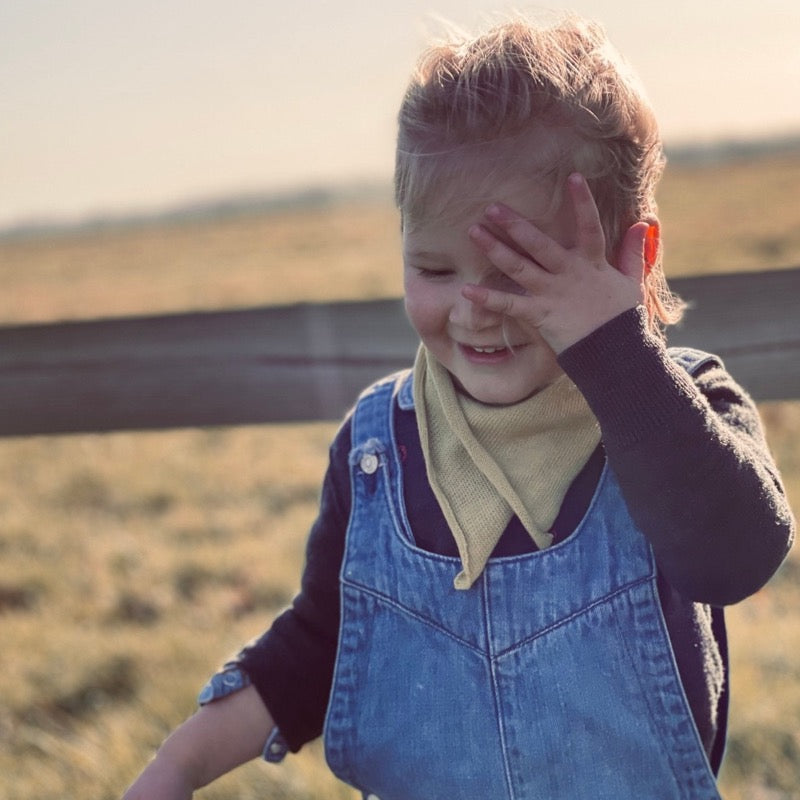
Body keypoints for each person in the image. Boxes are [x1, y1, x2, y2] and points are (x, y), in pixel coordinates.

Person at [122, 14, 795, 800]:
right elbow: (318, 646)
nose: (475, 309)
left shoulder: (683, 409)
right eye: (435, 268)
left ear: (630, 258)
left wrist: (615, 350)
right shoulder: (381, 449)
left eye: (519, 271)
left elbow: (733, 557)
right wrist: (177, 764)